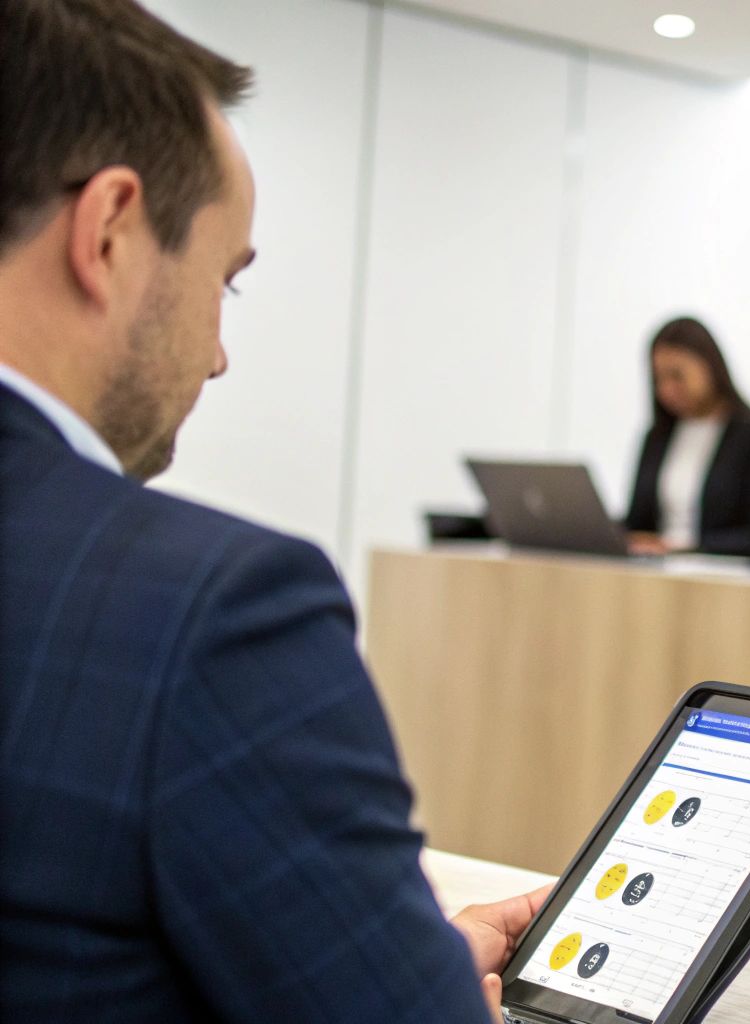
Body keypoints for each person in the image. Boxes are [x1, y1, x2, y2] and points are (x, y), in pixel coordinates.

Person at [0, 2, 545, 1020]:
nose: (217, 356)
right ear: (109, 230)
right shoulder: (214, 611)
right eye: (225, 282)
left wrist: (391, 951)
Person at [624, 316, 750, 562]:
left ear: (709, 365)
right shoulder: (657, 436)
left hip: (721, 574)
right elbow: (636, 522)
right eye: (659, 378)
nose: (667, 389)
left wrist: (680, 548)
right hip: (654, 571)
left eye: (677, 375)